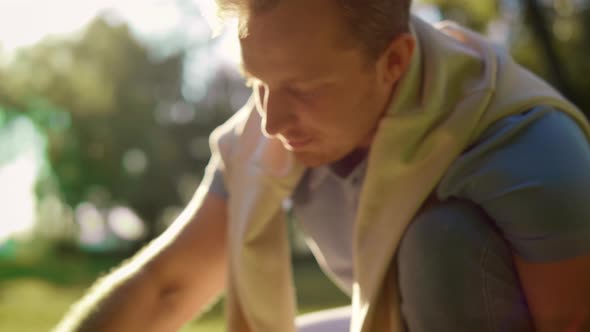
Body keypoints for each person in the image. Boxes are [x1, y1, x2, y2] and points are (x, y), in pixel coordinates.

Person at [54, 0, 590, 331]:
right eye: (256, 83)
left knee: (440, 244)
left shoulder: (528, 150)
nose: (271, 121)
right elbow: (165, 286)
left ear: (394, 62)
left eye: (303, 88)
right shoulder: (264, 141)